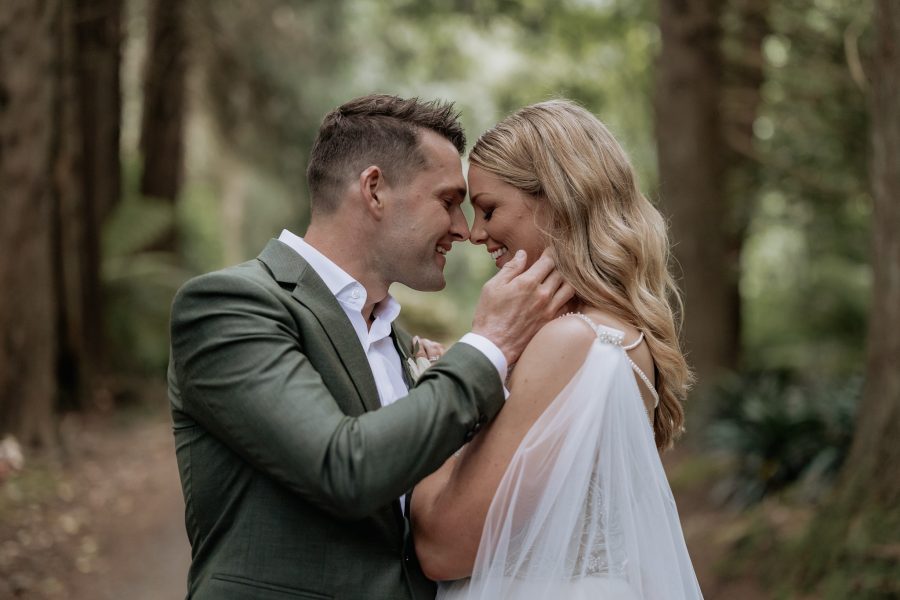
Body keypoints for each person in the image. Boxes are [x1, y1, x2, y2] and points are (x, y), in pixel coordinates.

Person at [167, 94, 574, 600]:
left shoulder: (401, 345)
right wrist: (488, 346)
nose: (464, 230)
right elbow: (345, 467)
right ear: (375, 190)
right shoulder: (229, 305)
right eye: (447, 201)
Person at [411, 100, 703, 599]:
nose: (476, 233)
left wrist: (436, 402)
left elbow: (442, 548)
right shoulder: (620, 336)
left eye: (488, 209)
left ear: (557, 201)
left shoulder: (571, 342)